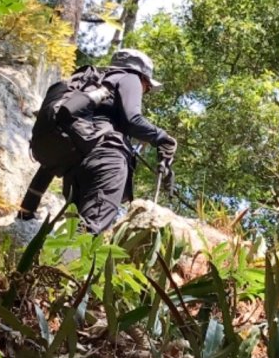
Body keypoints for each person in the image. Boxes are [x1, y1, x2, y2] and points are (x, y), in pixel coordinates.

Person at [17, 48, 176, 234]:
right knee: (89, 233)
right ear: (142, 77)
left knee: (75, 231)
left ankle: (57, 262)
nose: (145, 91)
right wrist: (164, 138)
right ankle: (69, 262)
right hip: (107, 160)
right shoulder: (130, 77)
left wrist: (27, 209)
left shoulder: (87, 94)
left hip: (76, 167)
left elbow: (50, 160)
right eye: (147, 87)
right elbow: (132, 120)